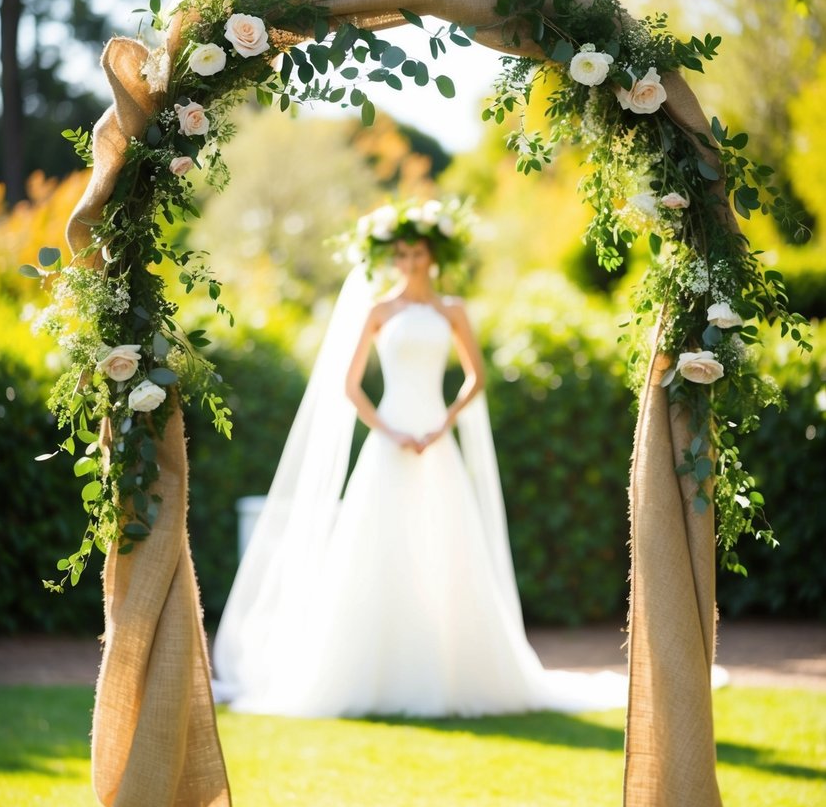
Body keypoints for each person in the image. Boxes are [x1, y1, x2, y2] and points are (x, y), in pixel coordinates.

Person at [212, 198, 629, 717]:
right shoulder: (378, 311)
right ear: (392, 258)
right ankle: (372, 673)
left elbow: (476, 377)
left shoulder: (452, 310)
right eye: (402, 254)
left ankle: (451, 670)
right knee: (378, 546)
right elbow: (350, 385)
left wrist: (443, 423)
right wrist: (387, 431)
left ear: (434, 255)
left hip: (435, 439)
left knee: (443, 545)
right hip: (390, 442)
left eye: (418, 254)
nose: (409, 263)